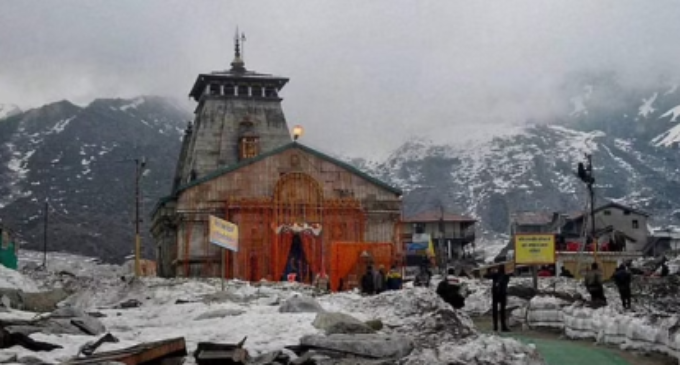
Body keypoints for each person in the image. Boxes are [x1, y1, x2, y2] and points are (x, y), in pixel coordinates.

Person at [485, 265, 511, 332]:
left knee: (495, 311)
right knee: (502, 311)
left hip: (495, 294)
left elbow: (486, 276)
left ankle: (495, 327)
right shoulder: (506, 276)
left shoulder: (495, 275)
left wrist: (489, 269)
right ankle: (503, 327)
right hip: (502, 294)